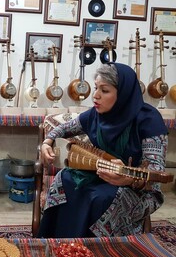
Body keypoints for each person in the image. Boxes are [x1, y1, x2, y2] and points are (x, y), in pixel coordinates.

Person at [37, 62, 168, 238]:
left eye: (104, 91)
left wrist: (128, 180)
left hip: (138, 189)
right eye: (96, 88)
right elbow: (62, 129)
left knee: (101, 198)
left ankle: (95, 254)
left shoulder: (149, 121)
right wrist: (47, 142)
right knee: (66, 179)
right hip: (101, 175)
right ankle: (62, 243)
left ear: (122, 94)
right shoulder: (96, 115)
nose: (96, 96)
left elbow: (155, 175)